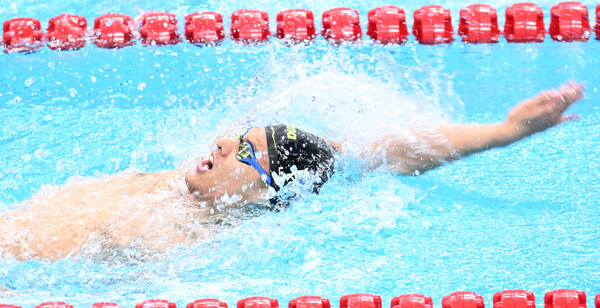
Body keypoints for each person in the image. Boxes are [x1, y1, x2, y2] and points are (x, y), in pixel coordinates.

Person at [0, 81, 585, 262]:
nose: (225, 141)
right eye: (236, 137)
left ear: (263, 194)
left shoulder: (176, 236)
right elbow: (390, 149)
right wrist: (507, 132)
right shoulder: (193, 190)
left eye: (245, 152)